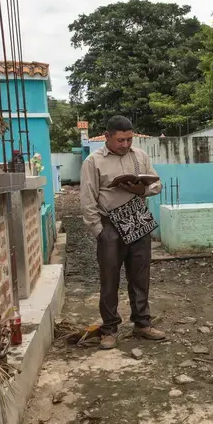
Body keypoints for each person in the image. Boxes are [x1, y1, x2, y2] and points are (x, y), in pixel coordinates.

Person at [80, 115, 166, 350]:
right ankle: (109, 329)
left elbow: (157, 184)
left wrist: (143, 189)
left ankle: (142, 323)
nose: (126, 145)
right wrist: (99, 231)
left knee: (140, 275)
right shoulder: (92, 161)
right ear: (107, 137)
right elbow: (87, 199)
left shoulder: (140, 156)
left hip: (138, 219)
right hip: (109, 224)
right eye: (120, 140)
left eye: (129, 139)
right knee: (109, 279)